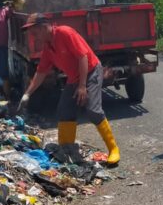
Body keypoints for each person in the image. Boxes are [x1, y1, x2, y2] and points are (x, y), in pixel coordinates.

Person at [18, 14, 120, 165]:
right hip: (74, 78)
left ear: (43, 27)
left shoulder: (65, 32)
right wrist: (27, 94)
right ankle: (66, 149)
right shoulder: (48, 47)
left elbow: (83, 57)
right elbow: (41, 72)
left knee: (93, 110)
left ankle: (113, 149)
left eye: (34, 32)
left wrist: (82, 86)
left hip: (91, 71)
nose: (33, 37)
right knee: (64, 110)